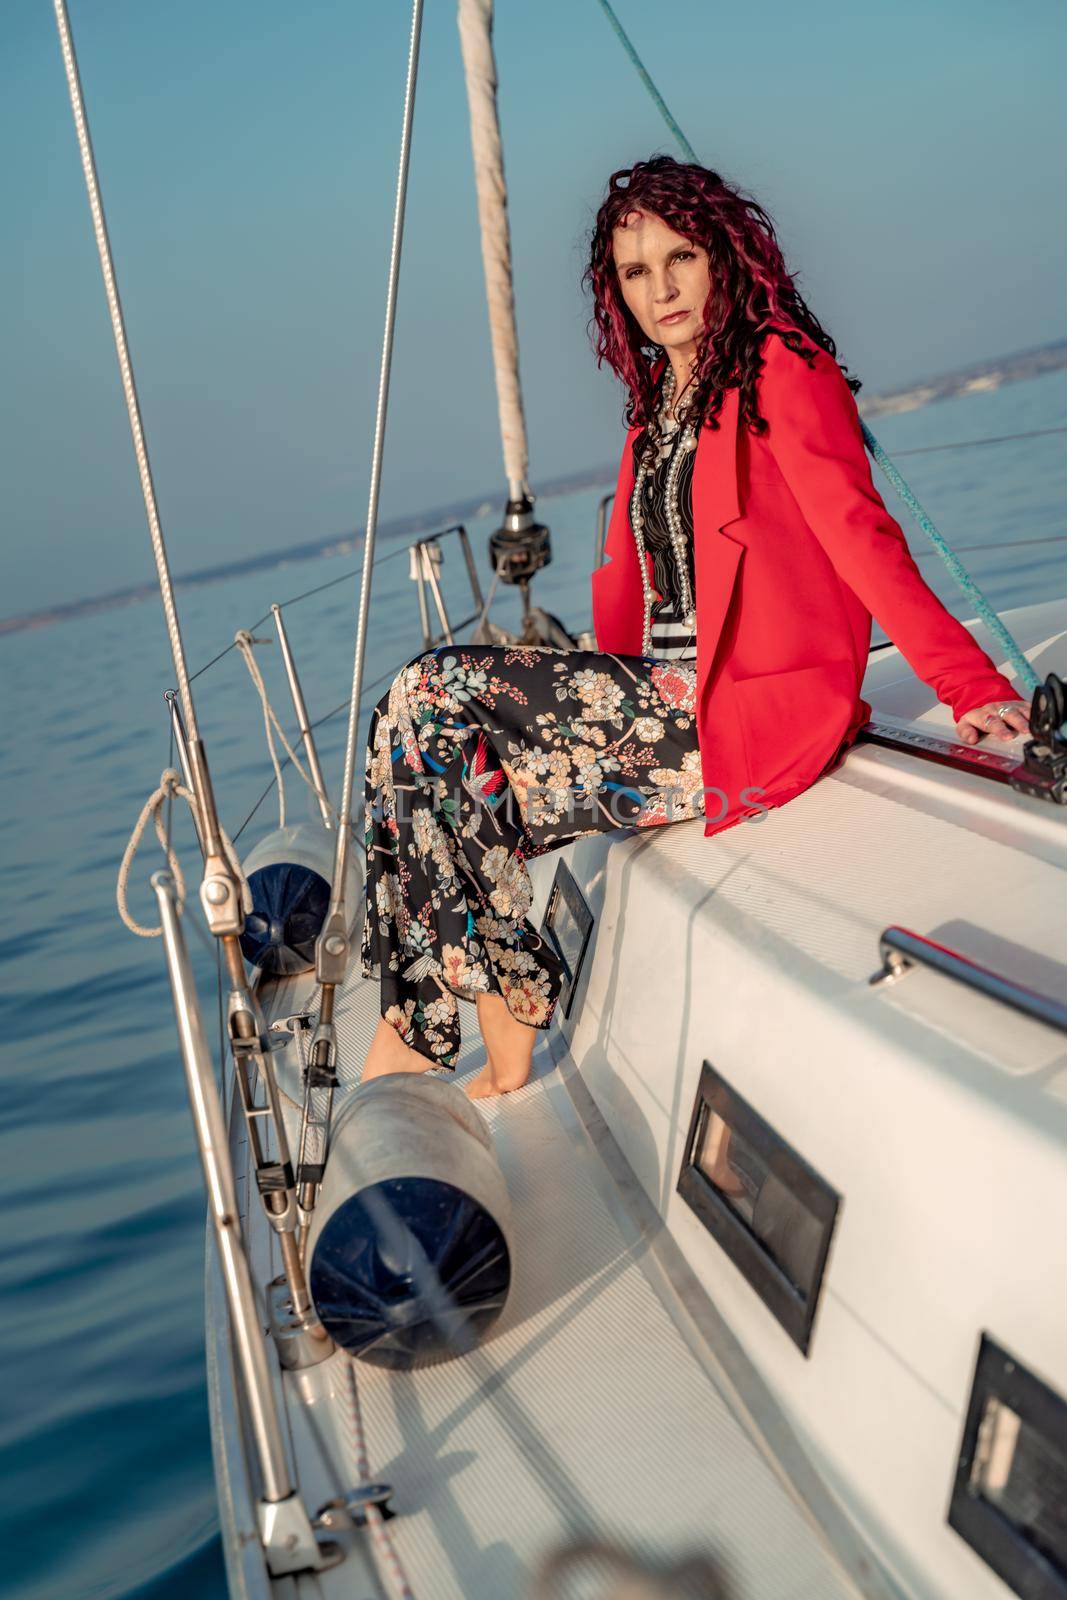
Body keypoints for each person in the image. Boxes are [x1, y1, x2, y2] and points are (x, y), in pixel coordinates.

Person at [358, 155, 1031, 1098]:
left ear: (723, 254)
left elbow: (858, 534)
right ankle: (500, 996)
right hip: (661, 700)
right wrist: (548, 722)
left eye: (680, 257)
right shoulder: (656, 408)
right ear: (613, 290)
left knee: (430, 690)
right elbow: (634, 595)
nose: (661, 287)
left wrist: (970, 685)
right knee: (432, 764)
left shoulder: (780, 367)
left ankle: (421, 1033)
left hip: (742, 709)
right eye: (636, 271)